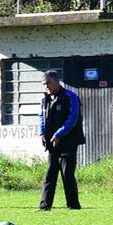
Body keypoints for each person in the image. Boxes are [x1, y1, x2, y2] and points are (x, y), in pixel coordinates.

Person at [38, 70, 85, 210]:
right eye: (44, 84)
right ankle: (44, 206)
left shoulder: (70, 97)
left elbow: (73, 118)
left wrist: (59, 134)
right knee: (50, 173)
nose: (46, 86)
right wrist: (42, 133)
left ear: (57, 82)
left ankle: (73, 205)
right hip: (52, 142)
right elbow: (41, 116)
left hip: (68, 141)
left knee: (67, 173)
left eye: (48, 83)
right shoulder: (44, 99)